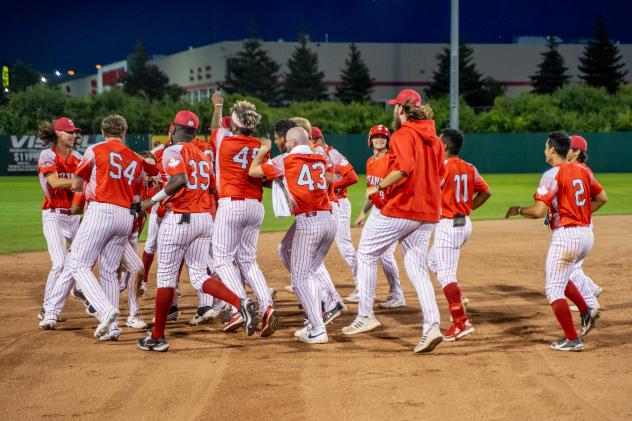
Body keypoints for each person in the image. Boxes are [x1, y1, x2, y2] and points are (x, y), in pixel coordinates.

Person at [137, 110, 258, 352]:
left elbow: (179, 180)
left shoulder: (173, 150)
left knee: (166, 279)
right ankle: (239, 302)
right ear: (193, 132)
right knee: (199, 276)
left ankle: (157, 336)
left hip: (180, 218)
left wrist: (151, 201)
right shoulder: (203, 156)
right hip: (204, 219)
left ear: (172, 129)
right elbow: (213, 189)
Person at [342, 89, 445, 354]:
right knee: (415, 265)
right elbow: (440, 174)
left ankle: (365, 315)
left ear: (401, 110)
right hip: (429, 212)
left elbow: (403, 168)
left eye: (395, 108)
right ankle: (432, 325)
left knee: (365, 253)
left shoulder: (402, 134)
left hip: (402, 208)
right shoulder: (435, 139)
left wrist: (378, 189)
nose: (394, 111)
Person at [505, 131, 607, 352]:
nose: (544, 151)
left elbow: (538, 212)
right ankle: (586, 309)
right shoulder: (583, 170)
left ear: (552, 149)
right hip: (585, 235)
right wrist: (583, 214)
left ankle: (572, 339)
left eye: (545, 147)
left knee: (553, 289)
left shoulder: (551, 174)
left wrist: (519, 209)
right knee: (561, 276)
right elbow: (602, 199)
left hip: (567, 236)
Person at [249, 127, 337, 343]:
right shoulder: (319, 154)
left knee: (299, 279)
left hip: (309, 221)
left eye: (287, 141)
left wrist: (263, 150)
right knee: (299, 261)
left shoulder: (286, 159)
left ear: (293, 141)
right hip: (328, 218)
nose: (285, 144)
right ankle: (316, 319)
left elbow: (253, 171)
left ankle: (318, 328)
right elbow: (331, 176)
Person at [66, 115, 145, 340]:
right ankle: (113, 328)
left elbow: (76, 184)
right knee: (110, 271)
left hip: (101, 210)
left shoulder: (95, 149)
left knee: (78, 263)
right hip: (125, 216)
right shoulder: (135, 158)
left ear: (103, 131)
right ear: (124, 132)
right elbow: (138, 196)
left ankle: (105, 311)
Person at [212, 96, 278, 336]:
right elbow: (265, 176)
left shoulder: (224, 141)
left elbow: (215, 127)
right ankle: (267, 307)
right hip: (255, 206)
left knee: (222, 259)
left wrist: (217, 106)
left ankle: (240, 306)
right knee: (248, 261)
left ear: (235, 123)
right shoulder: (260, 147)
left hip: (232, 204)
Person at [427, 128, 491, 341]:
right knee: (432, 261)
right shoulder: (469, 167)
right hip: (464, 223)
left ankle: (461, 322)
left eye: (438, 142)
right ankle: (458, 297)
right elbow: (486, 192)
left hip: (448, 225)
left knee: (446, 275)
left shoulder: (442, 168)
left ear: (444, 145)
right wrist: (467, 207)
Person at [36, 117, 83, 328]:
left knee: (81, 262)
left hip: (74, 216)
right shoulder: (47, 155)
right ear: (57, 133)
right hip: (53, 214)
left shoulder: (79, 157)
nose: (73, 135)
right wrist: (80, 183)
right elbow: (54, 181)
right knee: (61, 263)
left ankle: (78, 291)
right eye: (68, 132)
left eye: (74, 132)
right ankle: (47, 308)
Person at [354, 124, 404, 309]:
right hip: (377, 210)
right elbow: (372, 191)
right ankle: (390, 293)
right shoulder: (370, 161)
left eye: (383, 136)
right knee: (374, 252)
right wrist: (362, 212)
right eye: (376, 136)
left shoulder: (392, 159)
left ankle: (396, 295)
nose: (380, 139)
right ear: (370, 140)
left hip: (390, 211)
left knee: (383, 253)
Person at [311, 127, 359, 302]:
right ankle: (315, 285)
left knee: (345, 246)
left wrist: (335, 185)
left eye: (309, 141)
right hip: (329, 205)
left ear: (316, 141)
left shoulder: (333, 154)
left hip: (339, 203)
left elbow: (353, 177)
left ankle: (362, 285)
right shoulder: (319, 155)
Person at [565, 135, 604, 311]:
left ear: (577, 151)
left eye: (568, 147)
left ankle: (590, 301)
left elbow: (602, 198)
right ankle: (592, 289)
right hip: (583, 223)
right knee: (573, 265)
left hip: (578, 226)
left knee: (569, 266)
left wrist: (581, 213)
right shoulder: (584, 169)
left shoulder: (575, 170)